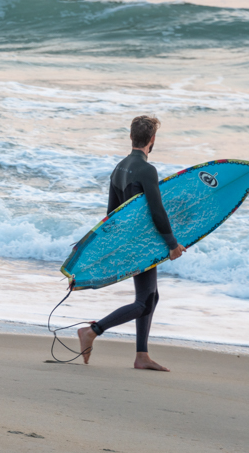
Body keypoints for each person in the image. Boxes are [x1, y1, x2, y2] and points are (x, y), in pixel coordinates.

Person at [76, 116, 185, 371]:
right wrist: (171, 244)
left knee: (151, 297)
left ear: (131, 137)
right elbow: (158, 211)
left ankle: (142, 356)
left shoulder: (119, 168)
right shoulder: (148, 170)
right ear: (152, 140)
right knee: (144, 301)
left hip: (131, 243)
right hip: (143, 244)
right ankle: (92, 330)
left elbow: (111, 215)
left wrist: (111, 248)